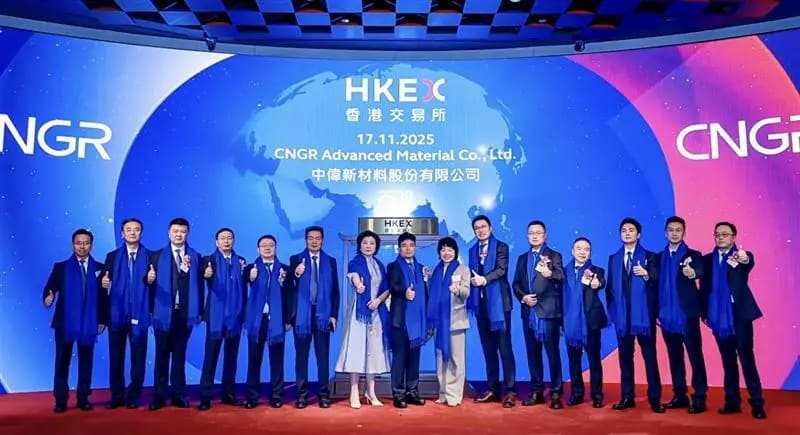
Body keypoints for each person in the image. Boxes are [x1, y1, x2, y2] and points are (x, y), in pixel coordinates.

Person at [700, 222, 766, 419]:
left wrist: (745, 258)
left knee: (747, 360)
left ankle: (757, 403)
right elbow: (704, 288)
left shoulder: (740, 256)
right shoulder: (707, 260)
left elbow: (748, 261)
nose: (720, 237)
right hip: (717, 318)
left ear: (734, 237)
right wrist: (704, 313)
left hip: (739, 317)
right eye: (717, 234)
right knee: (728, 362)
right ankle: (732, 402)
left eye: (725, 234)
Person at [43, 228, 107, 413]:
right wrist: (48, 297)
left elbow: (104, 298)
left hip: (89, 323)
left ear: (91, 245)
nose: (82, 246)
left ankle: (83, 398)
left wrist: (102, 320)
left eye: (86, 243)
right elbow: (50, 288)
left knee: (86, 362)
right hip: (65, 323)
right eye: (78, 243)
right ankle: (60, 400)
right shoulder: (60, 267)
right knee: (62, 361)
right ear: (73, 245)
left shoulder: (100, 268)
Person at [606, 217, 664, 413]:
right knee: (625, 359)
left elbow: (657, 280)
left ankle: (655, 398)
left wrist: (647, 274)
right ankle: (627, 396)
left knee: (650, 358)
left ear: (638, 235)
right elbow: (610, 289)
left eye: (631, 230)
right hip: (622, 319)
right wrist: (614, 313)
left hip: (643, 317)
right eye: (624, 230)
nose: (627, 233)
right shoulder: (613, 259)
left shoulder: (650, 256)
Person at [148, 217, 205, 410]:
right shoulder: (156, 256)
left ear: (187, 234)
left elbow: (199, 286)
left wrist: (199, 311)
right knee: (161, 356)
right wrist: (147, 279)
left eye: (182, 231)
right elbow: (148, 285)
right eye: (175, 231)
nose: (179, 235)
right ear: (169, 233)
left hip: (184, 314)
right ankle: (159, 396)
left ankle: (178, 395)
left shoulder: (195, 256)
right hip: (162, 315)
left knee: (180, 356)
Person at [657, 216, 708, 413]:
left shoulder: (693, 255)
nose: (674, 233)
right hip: (666, 317)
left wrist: (692, 272)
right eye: (671, 230)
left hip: (687, 315)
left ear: (684, 232)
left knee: (695, 356)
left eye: (678, 230)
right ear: (665, 233)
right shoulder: (658, 258)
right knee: (675, 357)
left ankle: (700, 397)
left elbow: (700, 270)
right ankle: (680, 395)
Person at [335, 230, 391, 408]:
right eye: (365, 242)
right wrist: (359, 285)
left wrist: (378, 301)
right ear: (359, 245)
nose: (368, 246)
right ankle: (354, 392)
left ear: (376, 247)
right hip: (359, 313)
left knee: (374, 351)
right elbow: (354, 276)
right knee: (356, 350)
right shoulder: (355, 262)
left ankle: (370, 392)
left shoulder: (379, 265)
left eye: (372, 243)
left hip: (376, 312)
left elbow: (386, 288)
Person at [513, 220, 565, 409]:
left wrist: (549, 273)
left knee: (552, 354)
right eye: (531, 233)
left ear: (545, 235)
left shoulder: (554, 255)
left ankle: (556, 392)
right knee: (533, 354)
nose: (534, 236)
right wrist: (523, 297)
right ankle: (536, 391)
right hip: (529, 313)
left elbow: (561, 277)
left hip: (548, 313)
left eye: (538, 233)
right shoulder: (522, 258)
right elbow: (515, 284)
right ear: (527, 236)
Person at [286, 226, 340, 409]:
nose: (314, 241)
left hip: (323, 316)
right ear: (306, 240)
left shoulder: (330, 261)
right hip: (302, 316)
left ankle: (324, 395)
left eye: (317, 238)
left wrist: (333, 315)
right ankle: (301, 395)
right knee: (301, 357)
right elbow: (289, 287)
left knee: (322, 357)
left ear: (322, 240)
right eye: (311, 238)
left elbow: (335, 291)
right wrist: (296, 273)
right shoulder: (295, 259)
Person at [100, 218, 151, 409]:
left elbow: (155, 286)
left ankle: (134, 395)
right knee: (116, 357)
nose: (132, 232)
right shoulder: (112, 257)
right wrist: (103, 283)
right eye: (128, 229)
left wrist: (151, 280)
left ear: (141, 233)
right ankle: (117, 395)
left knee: (138, 358)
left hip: (140, 313)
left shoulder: (150, 257)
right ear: (122, 234)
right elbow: (103, 283)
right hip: (117, 314)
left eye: (136, 229)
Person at [468, 215, 517, 408]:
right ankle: (493, 389)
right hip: (481, 306)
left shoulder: (501, 247)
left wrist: (484, 280)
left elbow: (501, 270)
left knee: (505, 348)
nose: (480, 230)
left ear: (490, 227)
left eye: (483, 226)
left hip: (499, 306)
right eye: (477, 228)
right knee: (488, 350)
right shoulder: (472, 250)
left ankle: (511, 391)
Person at [198, 228, 247, 410]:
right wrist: (206, 273)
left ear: (233, 240)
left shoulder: (241, 261)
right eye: (222, 238)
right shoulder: (208, 260)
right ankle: (205, 397)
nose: (226, 241)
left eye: (229, 238)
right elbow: (203, 272)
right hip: (216, 318)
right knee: (210, 359)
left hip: (235, 317)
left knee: (231, 359)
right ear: (216, 242)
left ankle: (229, 395)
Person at [243, 235, 289, 409]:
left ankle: (276, 396)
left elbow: (290, 296)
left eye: (271, 245)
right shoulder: (250, 268)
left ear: (276, 248)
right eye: (264, 245)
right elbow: (244, 281)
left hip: (276, 321)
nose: (267, 248)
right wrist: (250, 277)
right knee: (254, 360)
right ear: (258, 249)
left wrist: (288, 319)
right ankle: (252, 397)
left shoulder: (284, 270)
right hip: (257, 321)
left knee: (277, 361)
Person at [562, 237, 606, 408]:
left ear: (590, 253)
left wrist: (596, 283)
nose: (582, 252)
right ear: (572, 252)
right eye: (579, 249)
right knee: (574, 362)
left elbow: (600, 282)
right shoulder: (563, 272)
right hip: (570, 323)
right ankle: (577, 393)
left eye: (586, 249)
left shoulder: (596, 271)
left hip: (590, 324)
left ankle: (597, 395)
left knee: (594, 361)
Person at [427, 236, 470, 407]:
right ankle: (443, 393)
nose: (446, 253)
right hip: (439, 322)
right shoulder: (435, 271)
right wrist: (426, 279)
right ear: (439, 252)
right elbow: (431, 294)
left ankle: (454, 395)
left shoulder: (463, 270)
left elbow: (467, 293)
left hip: (456, 321)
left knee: (456, 359)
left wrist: (458, 289)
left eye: (450, 250)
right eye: (443, 249)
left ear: (455, 252)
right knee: (441, 358)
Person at [387, 232, 429, 408]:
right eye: (404, 245)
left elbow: (425, 293)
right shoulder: (393, 266)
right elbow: (393, 286)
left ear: (415, 247)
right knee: (399, 358)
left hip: (417, 321)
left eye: (411, 245)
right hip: (400, 320)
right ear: (399, 248)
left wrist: (426, 281)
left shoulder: (421, 268)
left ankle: (412, 391)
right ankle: (398, 394)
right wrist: (404, 292)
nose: (408, 248)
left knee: (414, 358)